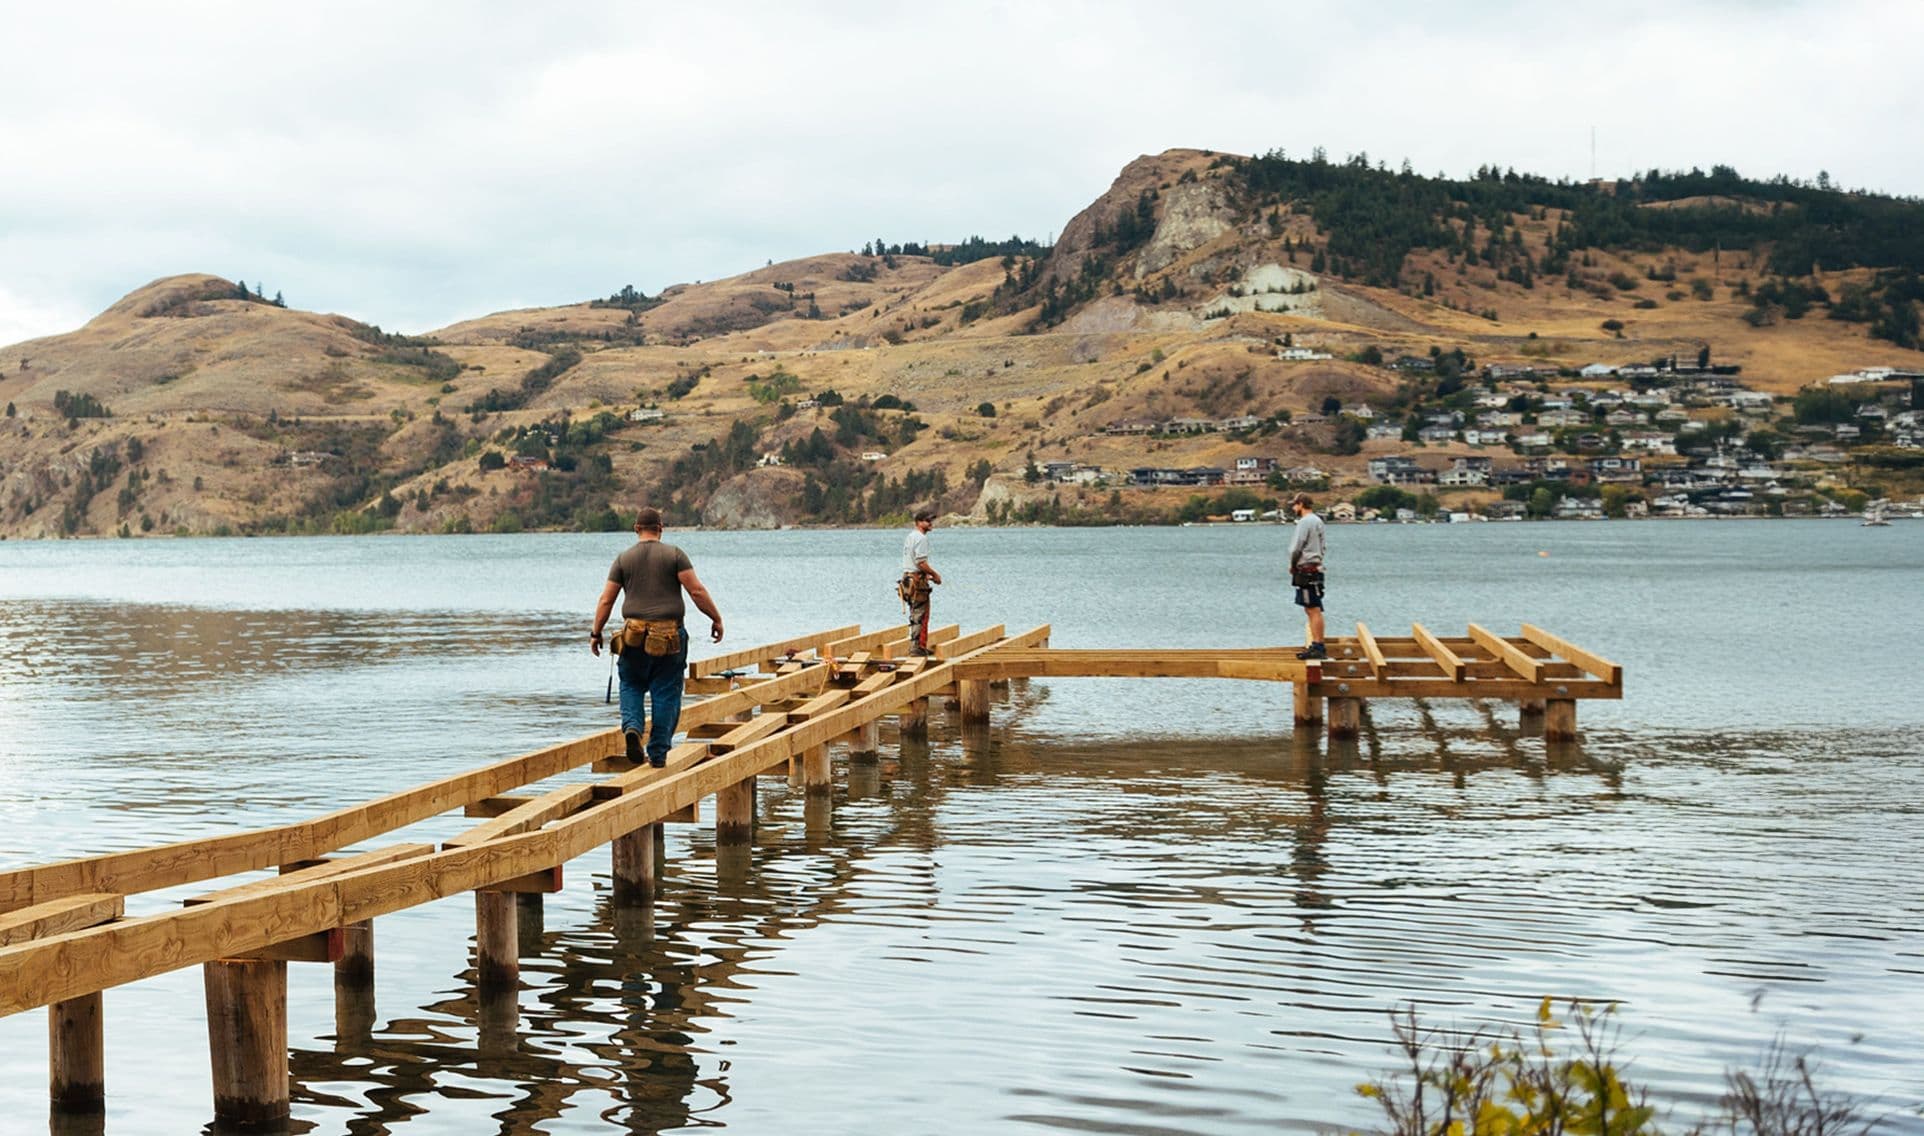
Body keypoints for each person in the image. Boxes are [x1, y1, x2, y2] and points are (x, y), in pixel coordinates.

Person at [590, 507, 723, 767]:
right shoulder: (674, 554)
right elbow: (696, 591)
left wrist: (596, 632)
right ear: (661, 527)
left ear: (636, 528)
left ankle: (633, 728)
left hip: (633, 636)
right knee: (666, 693)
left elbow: (606, 599)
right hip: (669, 636)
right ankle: (658, 754)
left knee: (631, 685)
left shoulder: (623, 559)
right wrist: (715, 618)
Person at [898, 506, 943, 656]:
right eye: (927, 520)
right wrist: (935, 575)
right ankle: (916, 649)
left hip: (909, 578)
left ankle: (918, 646)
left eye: (931, 520)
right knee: (920, 615)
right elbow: (921, 562)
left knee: (916, 614)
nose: (930, 523)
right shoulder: (921, 538)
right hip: (916, 582)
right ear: (918, 522)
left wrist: (926, 575)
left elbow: (913, 562)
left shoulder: (911, 536)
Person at [1288, 493, 1327, 660]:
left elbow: (1297, 547)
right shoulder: (1318, 521)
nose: (1293, 508)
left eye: (1295, 505)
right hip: (1315, 568)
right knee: (1312, 607)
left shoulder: (1305, 522)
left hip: (1305, 569)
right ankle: (1317, 644)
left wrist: (1292, 564)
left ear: (1301, 504)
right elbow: (1323, 546)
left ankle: (1318, 646)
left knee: (1313, 609)